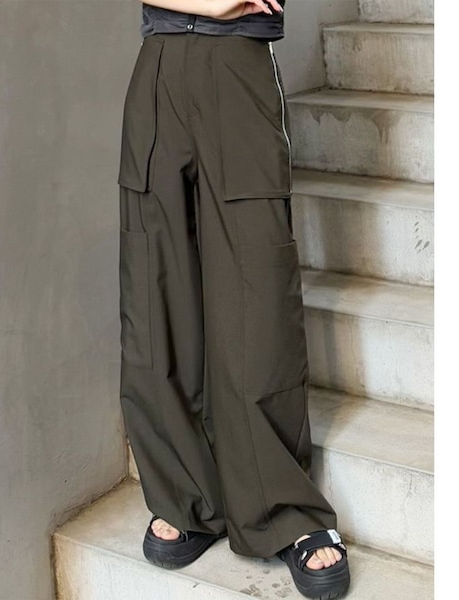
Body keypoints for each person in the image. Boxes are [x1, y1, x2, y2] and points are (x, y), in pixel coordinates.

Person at [117, 1, 351, 598]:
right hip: (161, 68)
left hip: (239, 66)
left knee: (258, 292)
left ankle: (282, 508)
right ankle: (184, 495)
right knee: (156, 292)